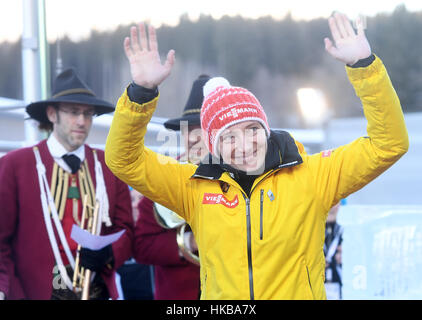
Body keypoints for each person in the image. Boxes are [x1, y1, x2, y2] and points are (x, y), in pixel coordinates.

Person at [105, 13, 409, 299]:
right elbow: (123, 159)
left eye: (251, 128)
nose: (244, 144)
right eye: (228, 136)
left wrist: (364, 67)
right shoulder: (192, 186)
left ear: (266, 128)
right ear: (214, 145)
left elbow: (388, 143)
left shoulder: (314, 176)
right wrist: (140, 94)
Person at [0, 68, 133, 300]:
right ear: (52, 114)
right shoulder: (15, 165)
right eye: (73, 112)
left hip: (95, 287)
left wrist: (110, 253)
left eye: (88, 114)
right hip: (38, 290)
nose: (82, 121)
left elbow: (126, 230)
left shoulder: (110, 165)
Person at [133, 75, 210, 300]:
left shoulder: (244, 178)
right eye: (188, 129)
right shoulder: (163, 175)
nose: (193, 138)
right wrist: (189, 243)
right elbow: (141, 246)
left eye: (203, 129)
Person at [324, 201, 344, 300]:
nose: (332, 207)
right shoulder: (313, 230)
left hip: (340, 287)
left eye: (336, 202)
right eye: (330, 202)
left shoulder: (346, 231)